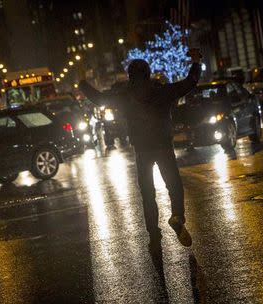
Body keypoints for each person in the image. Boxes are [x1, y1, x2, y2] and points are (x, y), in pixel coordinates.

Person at [79, 49, 202, 247]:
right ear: (148, 73)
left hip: (143, 151)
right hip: (163, 146)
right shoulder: (162, 91)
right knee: (174, 185)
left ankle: (153, 233)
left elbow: (99, 99)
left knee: (147, 193)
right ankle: (177, 216)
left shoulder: (125, 97)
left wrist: (82, 82)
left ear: (130, 76)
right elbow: (190, 82)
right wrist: (195, 61)